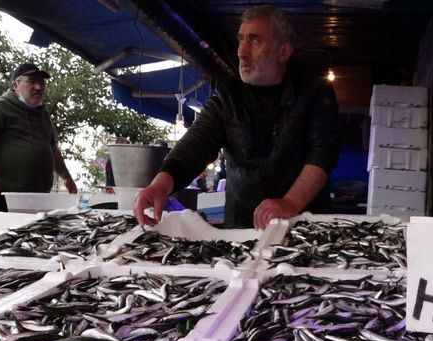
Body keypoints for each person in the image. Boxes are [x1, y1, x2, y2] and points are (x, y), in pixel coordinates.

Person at [134, 5, 340, 229]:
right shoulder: (228, 95)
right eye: (241, 39)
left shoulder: (314, 91)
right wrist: (159, 185)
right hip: (242, 227)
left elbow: (324, 152)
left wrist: (291, 202)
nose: (241, 51)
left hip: (304, 224)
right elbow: (196, 144)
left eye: (254, 41)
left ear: (283, 51)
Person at [0, 63, 77, 212]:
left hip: (39, 198)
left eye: (42, 83)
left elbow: (52, 149)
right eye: (32, 81)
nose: (38, 87)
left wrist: (67, 177)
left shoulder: (42, 114)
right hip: (4, 198)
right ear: (16, 85)